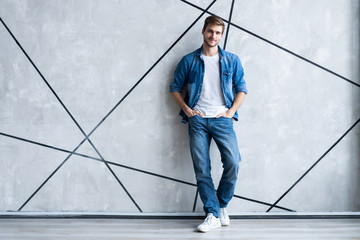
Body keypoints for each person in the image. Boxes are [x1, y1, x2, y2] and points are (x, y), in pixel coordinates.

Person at [169, 15, 248, 232]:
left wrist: (231, 112)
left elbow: (242, 89)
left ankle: (221, 205)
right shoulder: (189, 60)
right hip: (198, 120)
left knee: (233, 163)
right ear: (203, 31)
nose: (214, 36)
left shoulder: (232, 60)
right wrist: (188, 111)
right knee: (202, 169)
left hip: (223, 119)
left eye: (218, 33)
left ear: (222, 36)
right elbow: (175, 88)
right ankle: (212, 214)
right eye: (210, 31)